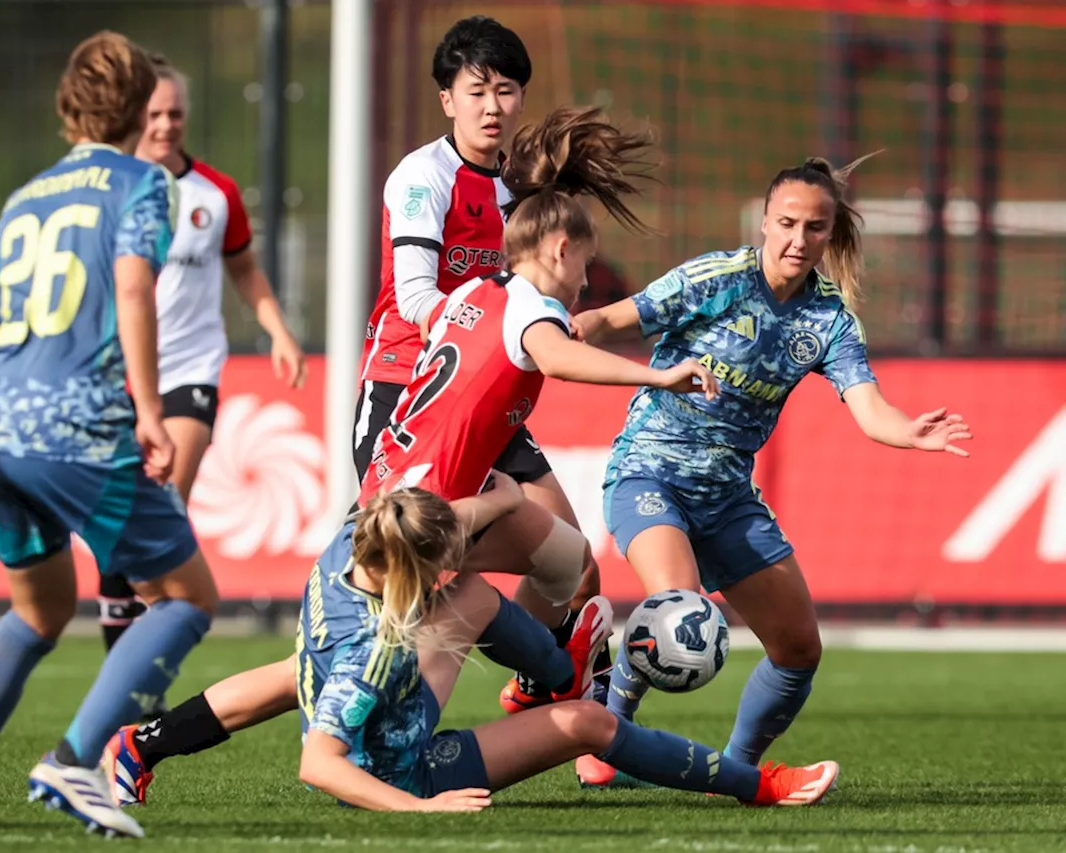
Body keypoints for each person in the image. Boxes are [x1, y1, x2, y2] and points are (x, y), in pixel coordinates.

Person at [100, 104, 718, 808]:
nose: (587, 277)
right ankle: (154, 743)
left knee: (566, 562)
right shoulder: (530, 309)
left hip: (406, 489)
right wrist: (657, 373)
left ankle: (543, 678)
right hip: (426, 516)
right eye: (583, 258)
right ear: (554, 251)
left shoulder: (476, 295)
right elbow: (556, 355)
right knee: (343, 667)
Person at [0, 32, 220, 839]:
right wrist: (144, 406)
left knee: (39, 610)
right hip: (76, 428)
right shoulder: (142, 185)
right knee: (189, 596)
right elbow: (133, 289)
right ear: (140, 109)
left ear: (67, 107)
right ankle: (73, 761)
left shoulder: (25, 197)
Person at [568, 153, 973, 789]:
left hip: (728, 498)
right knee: (677, 612)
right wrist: (552, 330)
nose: (798, 239)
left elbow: (870, 410)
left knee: (799, 651)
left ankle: (739, 770)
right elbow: (609, 319)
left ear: (830, 233)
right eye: (786, 223)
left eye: (814, 228)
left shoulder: (830, 320)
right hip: (651, 473)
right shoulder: (713, 278)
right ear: (763, 221)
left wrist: (908, 432)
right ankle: (604, 726)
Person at [354, 15, 615, 705]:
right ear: (448, 99)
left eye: (505, 89)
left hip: (484, 399)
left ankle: (535, 682)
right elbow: (412, 295)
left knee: (578, 567)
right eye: (476, 90)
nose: (492, 106)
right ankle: (371, 702)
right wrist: (497, 327)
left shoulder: (518, 191)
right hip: (405, 395)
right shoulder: (421, 176)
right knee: (405, 585)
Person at [296, 488, 840, 811]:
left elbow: (444, 521)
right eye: (440, 563)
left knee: (472, 594)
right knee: (587, 723)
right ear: (410, 564)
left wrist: (506, 499)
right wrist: (418, 807)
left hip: (393, 713)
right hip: (395, 771)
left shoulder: (358, 539)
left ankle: (558, 674)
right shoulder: (370, 655)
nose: (445, 569)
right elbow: (318, 764)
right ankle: (759, 785)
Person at [95, 52, 306, 706]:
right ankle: (129, 686)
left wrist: (276, 328)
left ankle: (140, 689)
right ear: (134, 116)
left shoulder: (215, 195)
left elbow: (244, 269)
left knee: (156, 512)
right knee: (116, 553)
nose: (165, 125)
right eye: (153, 113)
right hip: (116, 379)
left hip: (189, 375)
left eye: (175, 113)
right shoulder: (111, 189)